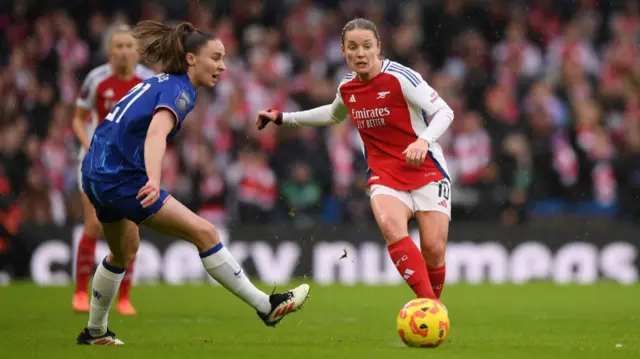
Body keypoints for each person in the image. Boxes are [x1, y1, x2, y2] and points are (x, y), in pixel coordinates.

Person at [76, 21, 309, 345]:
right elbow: (156, 132)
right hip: (120, 178)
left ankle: (95, 332)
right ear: (190, 59)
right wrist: (153, 180)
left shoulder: (158, 82)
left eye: (223, 58)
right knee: (206, 233)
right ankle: (265, 306)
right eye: (215, 57)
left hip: (95, 172)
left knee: (124, 250)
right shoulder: (179, 90)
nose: (222, 66)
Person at [257, 18, 453, 302]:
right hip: (384, 174)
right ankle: (430, 308)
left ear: (378, 48)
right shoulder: (348, 87)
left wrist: (423, 141)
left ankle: (431, 305)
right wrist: (284, 118)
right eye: (352, 47)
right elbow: (333, 114)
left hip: (426, 169)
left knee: (434, 249)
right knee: (390, 225)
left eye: (366, 46)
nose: (360, 53)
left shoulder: (401, 77)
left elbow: (445, 112)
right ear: (343, 51)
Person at [71, 24, 155, 316]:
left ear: (137, 51)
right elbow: (78, 118)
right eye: (118, 46)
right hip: (94, 162)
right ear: (110, 50)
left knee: (130, 234)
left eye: (128, 46)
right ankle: (81, 292)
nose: (123, 51)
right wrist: (89, 144)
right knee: (93, 225)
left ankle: (123, 298)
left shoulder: (148, 81)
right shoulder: (96, 78)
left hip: (130, 166)